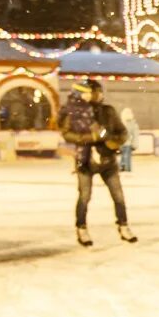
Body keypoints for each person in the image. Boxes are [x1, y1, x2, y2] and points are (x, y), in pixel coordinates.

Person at [61, 78, 136, 247]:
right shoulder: (76, 112)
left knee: (118, 196)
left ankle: (123, 225)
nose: (99, 95)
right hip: (85, 161)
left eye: (100, 92)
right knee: (85, 196)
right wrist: (90, 138)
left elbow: (122, 132)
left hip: (107, 160)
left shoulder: (108, 111)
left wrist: (113, 142)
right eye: (95, 92)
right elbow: (66, 134)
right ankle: (81, 228)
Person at [118, 107, 139, 173]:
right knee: (127, 156)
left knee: (122, 156)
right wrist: (135, 144)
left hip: (121, 143)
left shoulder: (120, 122)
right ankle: (126, 168)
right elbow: (135, 135)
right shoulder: (133, 123)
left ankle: (122, 167)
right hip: (128, 143)